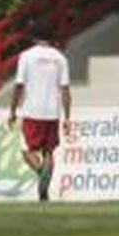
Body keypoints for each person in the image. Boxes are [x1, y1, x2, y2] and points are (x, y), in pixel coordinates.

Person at [8, 27, 71, 201]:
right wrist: (67, 117)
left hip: (32, 110)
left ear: (34, 38)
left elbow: (18, 85)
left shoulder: (27, 56)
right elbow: (65, 90)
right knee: (48, 152)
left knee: (26, 151)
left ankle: (42, 173)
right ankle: (44, 190)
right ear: (51, 38)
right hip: (52, 112)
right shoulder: (60, 58)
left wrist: (12, 110)